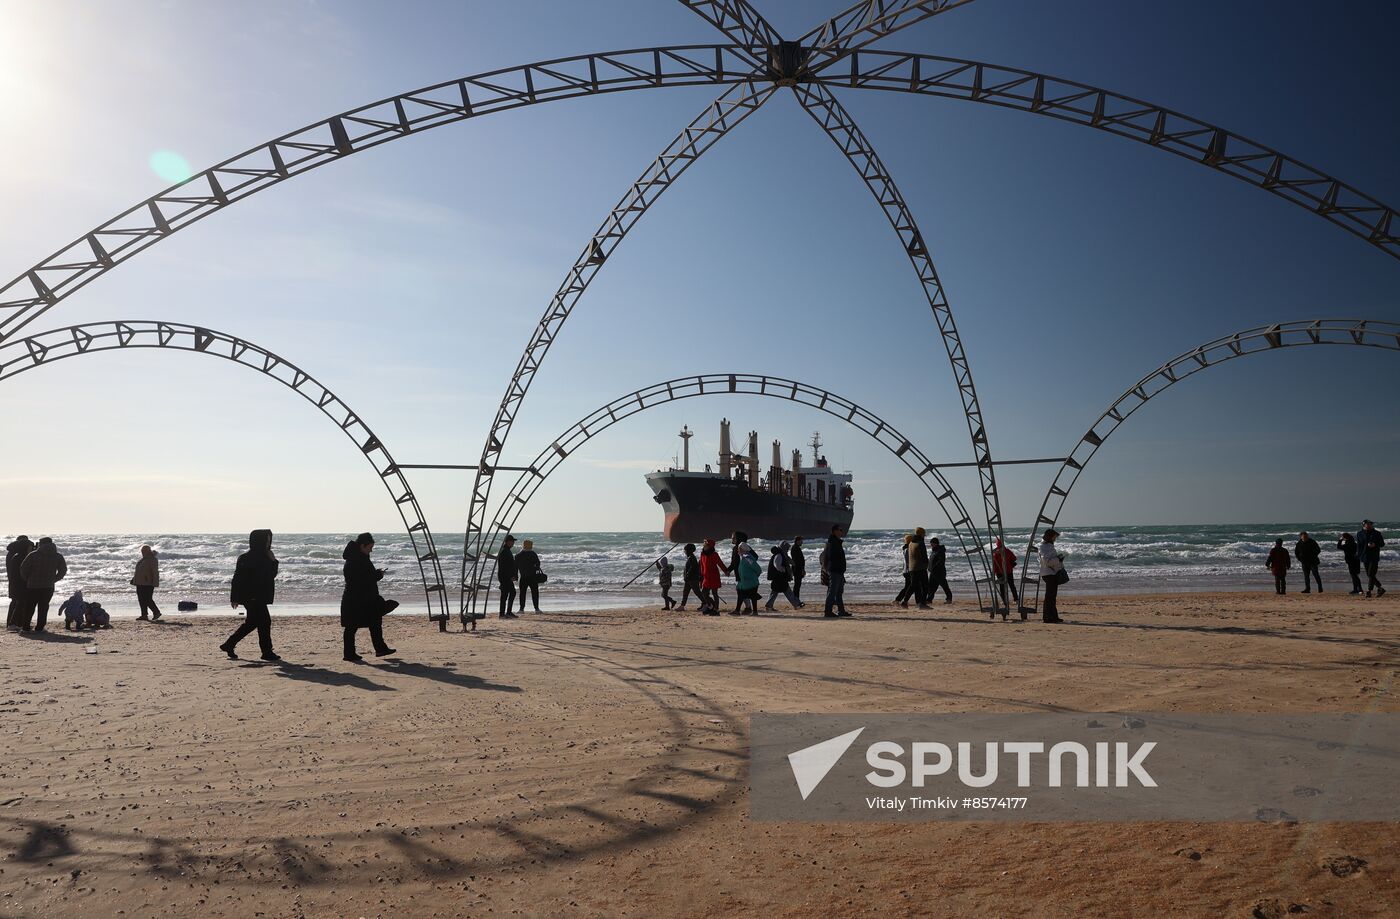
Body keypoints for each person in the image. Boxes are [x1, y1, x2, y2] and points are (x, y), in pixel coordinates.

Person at [220, 529, 280, 661]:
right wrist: (234, 598)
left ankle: (229, 644)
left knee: (252, 622)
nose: (268, 543)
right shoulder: (246, 558)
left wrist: (273, 560)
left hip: (258, 596)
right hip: (251, 596)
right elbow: (237, 579)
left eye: (270, 540)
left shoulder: (265, 557)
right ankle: (267, 652)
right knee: (264, 622)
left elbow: (271, 576)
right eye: (266, 540)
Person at [340, 532, 398, 661]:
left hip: (363, 598)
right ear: (362, 545)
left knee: (374, 622)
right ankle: (349, 654)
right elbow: (362, 579)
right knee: (352, 627)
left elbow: (366, 576)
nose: (371, 550)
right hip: (355, 599)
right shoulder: (355, 560)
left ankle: (380, 649)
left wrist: (376, 574)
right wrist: (378, 575)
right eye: (370, 547)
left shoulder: (359, 557)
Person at [18, 536, 67, 633]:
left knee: (29, 607)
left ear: (41, 544)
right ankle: (40, 628)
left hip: (32, 585)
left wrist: (27, 579)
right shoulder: (58, 556)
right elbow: (63, 571)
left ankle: (25, 628)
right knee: (43, 607)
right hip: (48, 586)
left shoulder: (33, 555)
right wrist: (54, 579)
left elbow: (23, 569)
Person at [5, 534, 34, 631]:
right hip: (19, 582)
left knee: (15, 602)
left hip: (13, 581)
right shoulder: (19, 555)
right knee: (19, 602)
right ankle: (15, 623)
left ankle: (12, 622)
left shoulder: (12, 553)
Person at [764, 543, 802, 611]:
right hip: (780, 578)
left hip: (779, 578)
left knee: (776, 592)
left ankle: (769, 606)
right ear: (784, 548)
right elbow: (777, 565)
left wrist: (792, 563)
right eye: (787, 548)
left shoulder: (782, 554)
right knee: (786, 591)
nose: (788, 550)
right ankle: (797, 604)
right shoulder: (779, 555)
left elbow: (790, 561)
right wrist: (784, 570)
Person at [1038, 529, 1065, 623]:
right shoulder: (1044, 546)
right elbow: (1047, 562)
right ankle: (1048, 617)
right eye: (1054, 537)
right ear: (1050, 536)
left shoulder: (1046, 546)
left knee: (1052, 596)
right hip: (1049, 573)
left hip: (1051, 573)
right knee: (1050, 597)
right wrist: (1058, 559)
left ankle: (1053, 616)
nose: (1055, 539)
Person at [823, 524, 850, 618]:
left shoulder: (836, 542)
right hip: (835, 570)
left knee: (838, 593)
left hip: (839, 570)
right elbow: (832, 557)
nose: (842, 531)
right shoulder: (832, 543)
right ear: (835, 531)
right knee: (832, 592)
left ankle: (841, 611)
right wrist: (839, 567)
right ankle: (828, 611)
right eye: (840, 530)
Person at [132, 544, 162, 620]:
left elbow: (155, 572)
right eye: (142, 551)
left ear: (148, 551)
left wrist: (155, 583)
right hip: (140, 583)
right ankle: (144, 615)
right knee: (141, 600)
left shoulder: (152, 559)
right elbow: (139, 571)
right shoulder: (143, 559)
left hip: (148, 583)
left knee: (148, 599)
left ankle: (156, 612)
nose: (142, 552)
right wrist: (134, 579)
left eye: (144, 551)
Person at [732, 543, 762, 615]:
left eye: (739, 549)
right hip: (744, 582)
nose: (737, 550)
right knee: (741, 594)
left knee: (752, 597)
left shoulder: (748, 558)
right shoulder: (743, 557)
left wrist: (753, 577)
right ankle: (738, 610)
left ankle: (754, 611)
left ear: (742, 549)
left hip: (751, 582)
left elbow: (758, 570)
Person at [1358, 520, 1386, 598]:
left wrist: (1375, 544)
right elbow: (1359, 546)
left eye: (1370, 524)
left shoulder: (1377, 533)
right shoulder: (1359, 534)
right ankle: (1380, 588)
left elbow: (1382, 544)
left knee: (1371, 574)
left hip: (1374, 556)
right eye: (1367, 525)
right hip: (1364, 556)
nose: (1369, 526)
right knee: (1370, 574)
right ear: (1363, 525)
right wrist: (1358, 555)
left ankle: (1369, 591)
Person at [992, 538, 1021, 609]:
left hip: (999, 572)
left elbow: (994, 564)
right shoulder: (1007, 551)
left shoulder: (995, 553)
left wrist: (994, 572)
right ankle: (1016, 599)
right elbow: (1014, 558)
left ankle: (1004, 600)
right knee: (1011, 585)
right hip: (1008, 571)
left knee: (1002, 587)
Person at [515, 538, 542, 613]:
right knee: (535, 593)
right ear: (530, 546)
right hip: (532, 577)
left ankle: (521, 609)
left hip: (523, 577)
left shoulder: (518, 555)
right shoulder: (533, 554)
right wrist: (534, 568)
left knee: (522, 593)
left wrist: (516, 576)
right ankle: (536, 609)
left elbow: (516, 567)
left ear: (523, 545)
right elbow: (538, 564)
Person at [496, 534, 518, 619]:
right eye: (512, 541)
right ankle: (503, 614)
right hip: (504, 576)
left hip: (505, 576)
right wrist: (510, 576)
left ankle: (507, 612)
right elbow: (505, 566)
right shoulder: (504, 551)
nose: (513, 543)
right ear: (508, 542)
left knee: (510, 593)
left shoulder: (506, 550)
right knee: (506, 594)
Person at [699, 539, 723, 615]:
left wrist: (726, 571)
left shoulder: (714, 554)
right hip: (706, 577)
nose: (704, 546)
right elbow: (702, 566)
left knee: (714, 593)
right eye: (704, 544)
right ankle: (710, 606)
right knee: (704, 593)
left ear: (710, 546)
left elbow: (720, 563)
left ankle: (716, 610)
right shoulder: (702, 554)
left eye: (705, 545)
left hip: (714, 576)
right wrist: (701, 578)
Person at [909, 528, 931, 610]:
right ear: (921, 534)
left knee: (916, 587)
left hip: (912, 568)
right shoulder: (921, 543)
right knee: (925, 586)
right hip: (920, 567)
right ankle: (922, 604)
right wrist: (927, 564)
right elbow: (924, 556)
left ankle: (918, 603)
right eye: (924, 534)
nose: (924, 535)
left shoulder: (911, 542)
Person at [928, 537, 952, 606]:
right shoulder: (934, 550)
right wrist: (929, 567)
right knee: (931, 587)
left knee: (944, 586)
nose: (931, 545)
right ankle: (929, 599)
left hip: (939, 572)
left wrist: (933, 567)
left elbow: (941, 561)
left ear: (935, 543)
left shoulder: (940, 550)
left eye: (932, 543)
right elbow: (931, 560)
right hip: (933, 572)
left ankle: (949, 598)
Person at [679, 543, 703, 610]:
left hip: (692, 579)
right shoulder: (690, 557)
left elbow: (692, 568)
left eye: (685, 550)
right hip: (688, 579)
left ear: (688, 551)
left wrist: (687, 575)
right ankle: (682, 606)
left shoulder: (692, 558)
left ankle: (706, 603)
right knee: (685, 592)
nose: (684, 552)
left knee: (697, 592)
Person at [894, 534, 915, 606]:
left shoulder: (905, 548)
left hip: (906, 570)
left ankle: (898, 600)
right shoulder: (908, 549)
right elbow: (909, 560)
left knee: (908, 587)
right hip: (909, 570)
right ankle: (898, 600)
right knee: (910, 587)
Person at [790, 535, 806, 602]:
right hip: (797, 569)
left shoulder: (796, 548)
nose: (802, 542)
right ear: (797, 541)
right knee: (797, 585)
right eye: (801, 541)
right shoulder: (795, 548)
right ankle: (795, 599)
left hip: (797, 569)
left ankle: (796, 599)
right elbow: (797, 561)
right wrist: (802, 569)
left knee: (797, 585)